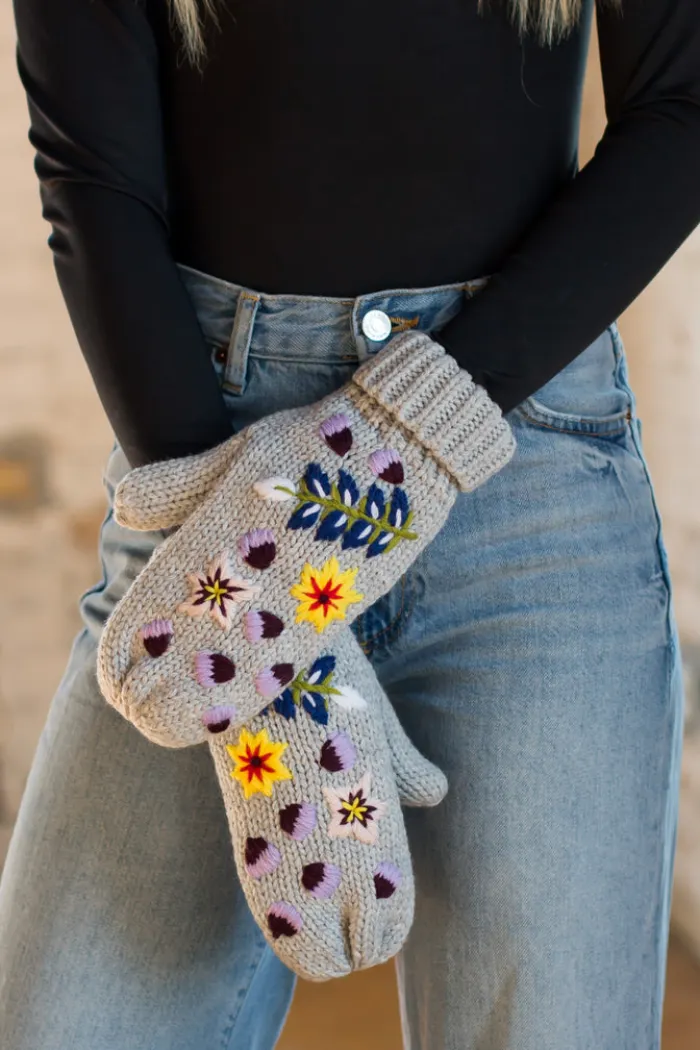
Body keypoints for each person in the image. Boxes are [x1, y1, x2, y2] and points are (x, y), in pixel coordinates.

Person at [1, 0, 697, 1046]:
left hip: (528, 480)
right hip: (204, 447)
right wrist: (253, 597)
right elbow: (92, 179)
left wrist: (399, 446)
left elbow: (686, 105)